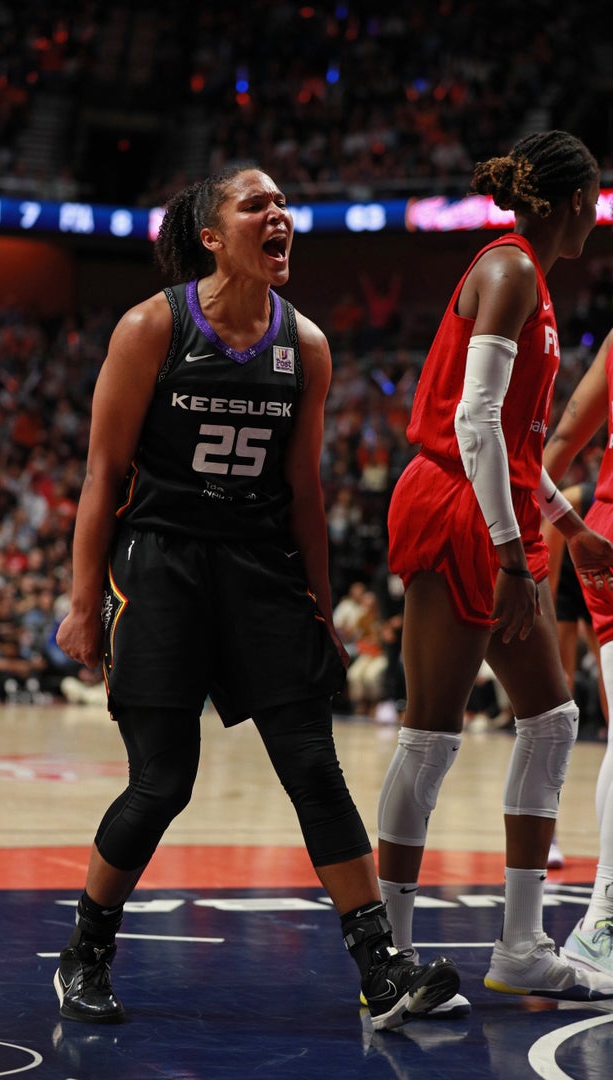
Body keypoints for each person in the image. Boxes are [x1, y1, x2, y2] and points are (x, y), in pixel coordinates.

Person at [53, 165, 460, 1030]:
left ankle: (379, 967)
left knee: (313, 762)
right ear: (212, 233)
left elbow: (304, 492)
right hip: (161, 561)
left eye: (284, 206)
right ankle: (85, 949)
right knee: (164, 780)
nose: (279, 217)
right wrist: (84, 601)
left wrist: (320, 604)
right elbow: (102, 473)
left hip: (260, 563)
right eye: (257, 205)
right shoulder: (149, 328)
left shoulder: (304, 344)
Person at [375, 130, 613, 1008]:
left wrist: (570, 527)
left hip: (496, 509)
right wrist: (519, 559)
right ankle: (388, 961)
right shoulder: (511, 271)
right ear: (557, 203)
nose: (596, 212)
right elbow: (474, 422)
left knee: (551, 720)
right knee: (431, 733)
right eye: (590, 197)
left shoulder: (533, 282)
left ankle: (521, 945)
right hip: (456, 506)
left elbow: (510, 442)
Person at [542, 326, 613, 974]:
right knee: (558, 704)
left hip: (597, 544)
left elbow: (564, 435)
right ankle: (602, 920)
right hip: (593, 553)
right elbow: (558, 439)